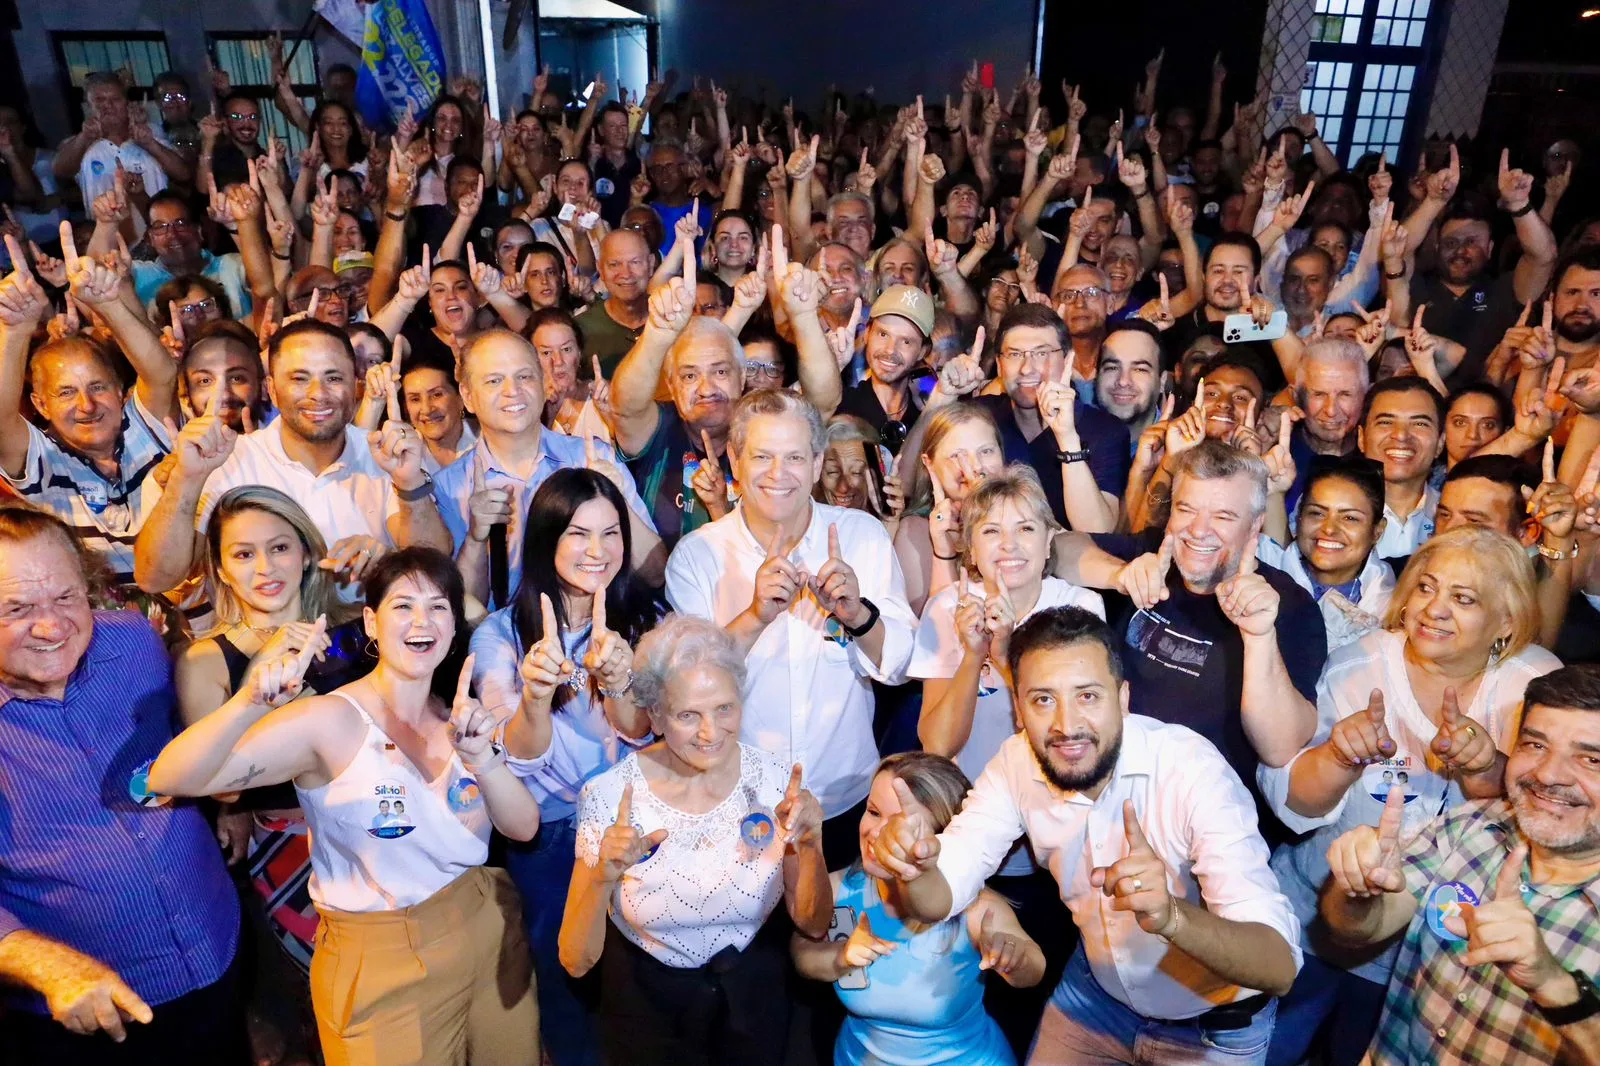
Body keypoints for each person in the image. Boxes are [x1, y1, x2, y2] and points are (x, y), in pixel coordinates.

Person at [149, 547, 542, 1066]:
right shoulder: (329, 720)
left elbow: (523, 828)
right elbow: (169, 776)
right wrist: (248, 705)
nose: (421, 621)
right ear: (372, 623)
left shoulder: (460, 717)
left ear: (451, 631)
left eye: (438, 607)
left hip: (487, 927)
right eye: (403, 606)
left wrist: (485, 761)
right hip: (383, 956)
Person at [873, 606, 1302, 1065]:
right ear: (1018, 710)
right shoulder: (1017, 762)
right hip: (1097, 993)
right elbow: (939, 897)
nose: (1066, 725)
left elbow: (1277, 967)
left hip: (1212, 1025)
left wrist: (1171, 916)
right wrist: (913, 870)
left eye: (1088, 696)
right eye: (1043, 700)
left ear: (1123, 698)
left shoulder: (1192, 771)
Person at [1260, 525, 1559, 1065]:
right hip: (1313, 920)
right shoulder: (1359, 665)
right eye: (1426, 587)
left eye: (1462, 598)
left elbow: (1546, 825)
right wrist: (1338, 756)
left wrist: (1486, 766)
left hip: (1431, 954)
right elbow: (1296, 804)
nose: (1434, 609)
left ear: (1507, 622)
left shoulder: (1534, 687)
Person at [0, 507, 245, 1065]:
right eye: (17, 608)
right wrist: (48, 966)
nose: (51, 626)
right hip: (89, 1018)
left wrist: (232, 805)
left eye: (66, 598)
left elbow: (183, 738)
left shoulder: (132, 642)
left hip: (219, 949)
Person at [558, 614, 832, 1066]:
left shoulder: (777, 783)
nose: (710, 732)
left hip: (757, 1008)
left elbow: (812, 923)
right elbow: (575, 960)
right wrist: (602, 878)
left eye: (724, 708)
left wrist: (811, 844)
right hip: (648, 1015)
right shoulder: (609, 797)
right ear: (657, 716)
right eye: (689, 715)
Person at [665, 388, 915, 865]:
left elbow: (901, 667)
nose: (779, 475)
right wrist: (756, 616)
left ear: (818, 463)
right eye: (762, 457)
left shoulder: (861, 536)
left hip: (846, 798)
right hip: (737, 801)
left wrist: (858, 615)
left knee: (835, 935)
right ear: (734, 461)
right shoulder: (697, 556)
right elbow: (684, 690)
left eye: (795, 457)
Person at [471, 467, 660, 1066]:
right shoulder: (501, 636)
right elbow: (519, 757)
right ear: (548, 537)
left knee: (645, 976)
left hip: (642, 828)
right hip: (552, 838)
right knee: (567, 982)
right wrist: (532, 695)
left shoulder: (648, 618)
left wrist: (620, 678)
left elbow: (644, 729)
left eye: (611, 533)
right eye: (579, 534)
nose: (598, 551)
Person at [1320, 663, 1600, 1065]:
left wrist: (1554, 987)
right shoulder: (1473, 825)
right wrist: (1358, 890)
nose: (1549, 773)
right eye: (1535, 745)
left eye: (1591, 760)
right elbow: (1356, 930)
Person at [176, 486, 370, 1060]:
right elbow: (222, 782)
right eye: (243, 554)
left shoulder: (360, 632)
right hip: (289, 855)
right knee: (320, 1008)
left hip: (382, 837)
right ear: (220, 569)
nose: (265, 568)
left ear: (308, 553)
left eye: (280, 547)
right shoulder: (205, 660)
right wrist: (262, 675)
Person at [1054, 440, 1327, 806]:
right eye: (1186, 509)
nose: (1198, 530)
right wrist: (1119, 575)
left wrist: (1259, 636)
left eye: (1223, 516)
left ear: (1255, 526)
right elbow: (1059, 549)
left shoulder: (1287, 606)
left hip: (1207, 822)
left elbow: (1280, 747)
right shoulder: (1154, 552)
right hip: (1106, 795)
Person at [133, 319, 453, 602]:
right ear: (271, 389)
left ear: (355, 385)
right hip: (262, 653)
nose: (318, 393)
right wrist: (186, 479)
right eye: (299, 379)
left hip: (368, 644)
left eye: (333, 378)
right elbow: (156, 578)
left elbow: (435, 561)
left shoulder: (382, 453)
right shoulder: (227, 460)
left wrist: (408, 484)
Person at [791, 752, 1045, 1066]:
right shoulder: (840, 888)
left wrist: (1015, 959)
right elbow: (802, 949)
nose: (876, 832)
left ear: (941, 841)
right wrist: (840, 957)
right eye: (873, 811)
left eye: (900, 825)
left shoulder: (977, 909)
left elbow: (1034, 968)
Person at [610, 238, 840, 545]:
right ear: (672, 384)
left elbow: (824, 402)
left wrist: (804, 316)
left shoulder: (764, 427)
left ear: (742, 375)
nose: (706, 388)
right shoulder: (657, 429)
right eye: (690, 375)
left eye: (720, 371)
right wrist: (658, 333)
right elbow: (624, 405)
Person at [434, 329, 660, 609]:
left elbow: (655, 573)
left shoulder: (592, 458)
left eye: (524, 376)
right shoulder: (449, 487)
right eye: (494, 380)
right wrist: (476, 538)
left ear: (543, 383)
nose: (512, 391)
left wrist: (616, 501)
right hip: (504, 642)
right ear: (467, 397)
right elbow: (461, 610)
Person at [0, 240, 179, 588]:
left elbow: (162, 375)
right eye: (66, 392)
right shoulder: (44, 459)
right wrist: (15, 330)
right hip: (105, 628)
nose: (86, 405)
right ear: (40, 404)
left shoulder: (144, 429)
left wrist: (108, 304)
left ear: (118, 389)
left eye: (97, 387)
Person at [951, 302, 1127, 532]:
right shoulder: (980, 418)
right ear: (999, 365)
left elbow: (1097, 531)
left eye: (1041, 353)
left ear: (1067, 360)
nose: (1027, 369)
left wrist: (1067, 438)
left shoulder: (1105, 430)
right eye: (1015, 354)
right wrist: (943, 395)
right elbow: (913, 484)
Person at [1255, 458, 1396, 652]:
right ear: (1299, 517)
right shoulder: (1262, 578)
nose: (1329, 529)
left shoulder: (1392, 607)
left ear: (1377, 531)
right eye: (1317, 513)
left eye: (1350, 518)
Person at [893, 404, 1007, 614]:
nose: (976, 466)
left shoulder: (1026, 513)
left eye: (986, 451)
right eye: (956, 456)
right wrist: (944, 552)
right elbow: (926, 630)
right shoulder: (916, 530)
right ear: (929, 463)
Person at [834, 285, 935, 455]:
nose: (890, 350)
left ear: (922, 352)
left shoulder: (929, 417)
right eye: (883, 334)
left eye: (906, 341)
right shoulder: (841, 405)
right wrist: (832, 366)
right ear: (867, 334)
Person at [1359, 377, 1445, 559]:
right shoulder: (1329, 510)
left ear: (1440, 443)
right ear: (1361, 438)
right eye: (1386, 422)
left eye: (1419, 424)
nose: (1401, 435)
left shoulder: (1456, 519)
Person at [578, 229, 653, 376]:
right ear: (600, 269)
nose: (625, 274)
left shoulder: (671, 320)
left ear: (651, 264)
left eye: (635, 262)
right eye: (614, 264)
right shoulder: (581, 331)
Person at [1093, 321, 1166, 444]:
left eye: (1140, 369)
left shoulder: (1182, 451)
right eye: (1112, 368)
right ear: (1096, 376)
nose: (1123, 381)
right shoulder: (1069, 441)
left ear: (1162, 382)